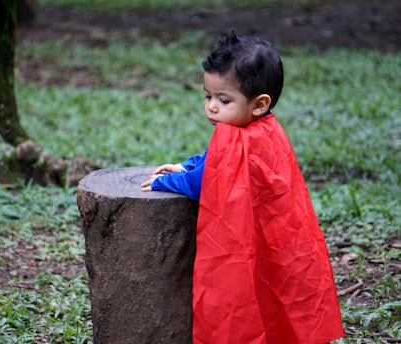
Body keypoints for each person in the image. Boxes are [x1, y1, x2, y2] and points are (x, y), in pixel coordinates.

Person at [141, 32, 345, 344]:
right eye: (207, 96)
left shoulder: (239, 137)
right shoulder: (266, 130)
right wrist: (188, 165)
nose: (211, 107)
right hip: (279, 239)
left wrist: (165, 181)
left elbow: (203, 183)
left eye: (223, 100)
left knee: (244, 300)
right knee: (274, 296)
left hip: (256, 240)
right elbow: (213, 162)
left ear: (260, 104)